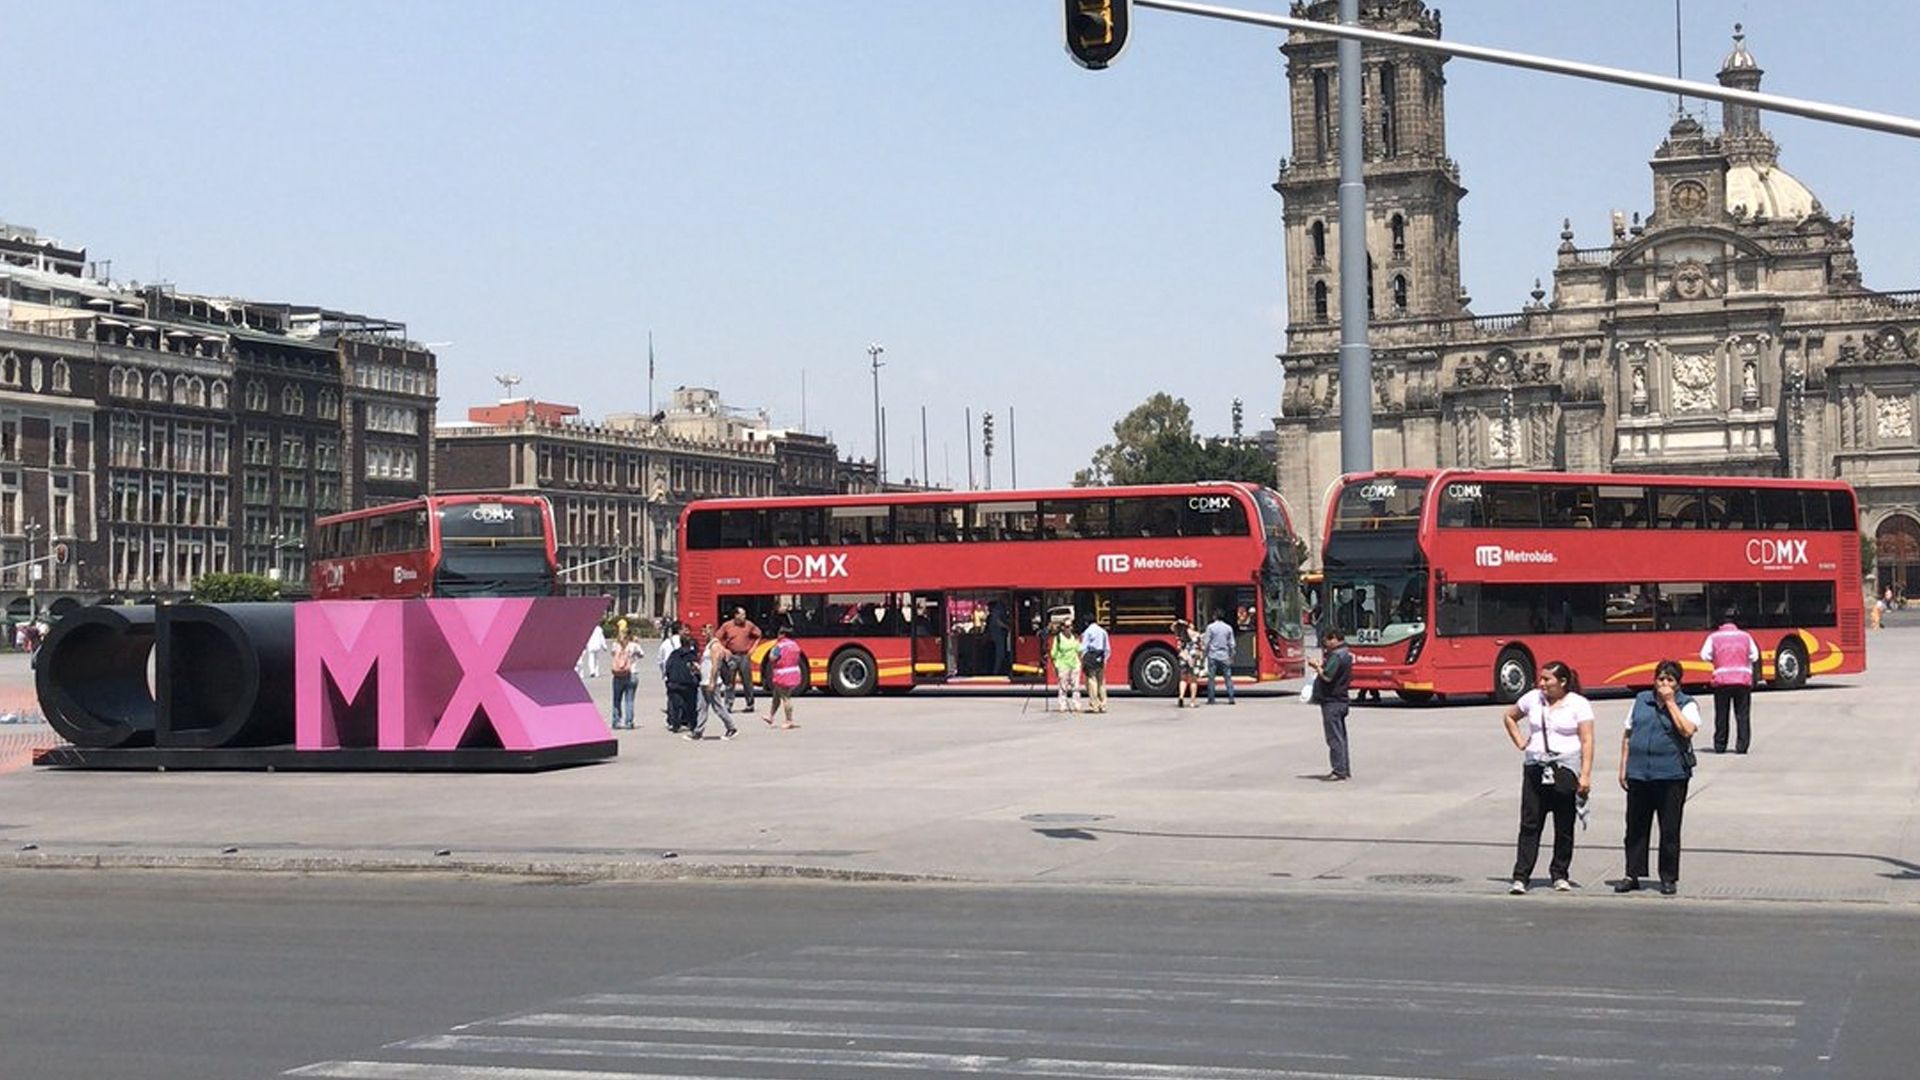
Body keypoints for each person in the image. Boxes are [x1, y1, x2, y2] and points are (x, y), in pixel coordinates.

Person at [1500, 660, 1594, 893]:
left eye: (1547, 679)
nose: (1541, 683)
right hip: (1536, 766)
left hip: (1565, 767)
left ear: (1562, 682)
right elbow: (1509, 717)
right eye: (1541, 679)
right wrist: (1521, 741)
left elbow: (1587, 740)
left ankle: (1559, 873)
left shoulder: (1578, 704)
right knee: (1530, 822)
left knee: (1564, 823)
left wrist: (1585, 775)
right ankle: (1521, 876)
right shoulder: (1532, 699)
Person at [1617, 659, 1700, 896]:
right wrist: (1624, 766)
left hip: (1671, 774)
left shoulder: (1687, 703)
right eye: (1660, 679)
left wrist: (1670, 702)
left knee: (1670, 828)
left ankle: (1668, 877)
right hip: (1639, 773)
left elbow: (1687, 730)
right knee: (1635, 826)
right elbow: (1628, 734)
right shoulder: (1641, 700)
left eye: (1669, 680)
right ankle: (1632, 873)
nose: (1664, 683)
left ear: (1677, 684)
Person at [1700, 609, 1759, 754]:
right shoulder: (1745, 636)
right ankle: (1742, 746)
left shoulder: (1714, 637)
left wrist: (1717, 659)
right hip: (1742, 680)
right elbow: (1755, 656)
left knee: (1722, 714)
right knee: (1742, 715)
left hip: (1722, 680)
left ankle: (1720, 745)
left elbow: (1704, 655)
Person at [1305, 629, 1354, 781]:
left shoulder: (1337, 655)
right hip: (1341, 700)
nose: (1325, 645)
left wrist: (1316, 667)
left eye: (1326, 641)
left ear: (1334, 639)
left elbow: (1327, 676)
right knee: (1341, 737)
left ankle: (1338, 770)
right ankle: (1344, 768)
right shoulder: (1346, 653)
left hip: (1332, 701)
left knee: (1334, 738)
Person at [692, 622, 738, 741]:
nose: (703, 634)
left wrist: (712, 681)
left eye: (705, 631)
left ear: (711, 631)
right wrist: (698, 668)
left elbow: (715, 665)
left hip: (711, 682)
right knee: (702, 707)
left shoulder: (715, 646)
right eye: (702, 631)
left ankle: (731, 728)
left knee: (718, 707)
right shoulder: (709, 645)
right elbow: (707, 663)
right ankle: (698, 731)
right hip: (704, 681)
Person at [716, 606, 762, 712]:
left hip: (744, 656)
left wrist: (753, 648)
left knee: (747, 681)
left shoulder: (749, 625)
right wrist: (724, 650)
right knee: (730, 681)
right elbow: (717, 638)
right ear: (736, 615)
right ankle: (728, 705)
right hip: (732, 656)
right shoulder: (727, 626)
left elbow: (758, 635)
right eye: (742, 614)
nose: (744, 617)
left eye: (745, 614)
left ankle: (750, 704)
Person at [664, 631, 703, 738]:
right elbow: (695, 668)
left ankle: (675, 724)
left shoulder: (674, 654)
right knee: (691, 705)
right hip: (688, 683)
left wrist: (668, 678)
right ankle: (692, 724)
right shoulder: (691, 655)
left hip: (674, 683)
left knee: (675, 705)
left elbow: (668, 666)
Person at [607, 620, 644, 730]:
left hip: (618, 675)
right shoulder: (634, 645)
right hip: (632, 673)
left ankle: (616, 721)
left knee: (616, 699)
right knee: (629, 700)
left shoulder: (615, 645)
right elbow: (642, 655)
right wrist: (636, 644)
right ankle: (629, 722)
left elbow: (613, 654)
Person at [765, 627, 803, 728]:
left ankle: (789, 720)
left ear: (783, 635)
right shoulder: (795, 645)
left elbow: (772, 657)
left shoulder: (779, 646)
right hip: (793, 673)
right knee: (776, 695)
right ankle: (771, 716)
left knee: (786, 698)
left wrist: (772, 650)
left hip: (782, 675)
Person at [1048, 616, 1083, 713]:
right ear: (1062, 627)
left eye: (1071, 626)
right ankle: (1062, 705)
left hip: (1075, 664)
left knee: (1076, 686)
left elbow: (1079, 649)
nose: (1070, 628)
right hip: (1063, 665)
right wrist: (1056, 665)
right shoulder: (1058, 638)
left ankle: (1077, 704)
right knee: (1063, 687)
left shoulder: (1074, 637)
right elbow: (1053, 653)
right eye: (1067, 626)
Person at [656, 620, 685, 731]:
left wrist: (664, 673)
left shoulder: (666, 643)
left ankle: (671, 719)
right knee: (683, 697)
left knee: (671, 697)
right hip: (682, 674)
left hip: (670, 674)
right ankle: (681, 719)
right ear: (679, 630)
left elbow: (660, 660)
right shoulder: (683, 642)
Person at [1203, 610, 1236, 705]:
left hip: (1213, 655)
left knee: (1211, 678)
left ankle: (1211, 699)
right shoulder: (1228, 628)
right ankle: (1231, 698)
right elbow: (1232, 644)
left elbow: (1207, 642)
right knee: (1228, 678)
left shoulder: (1210, 627)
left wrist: (1204, 655)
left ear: (1215, 616)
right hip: (1225, 656)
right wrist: (1232, 656)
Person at [1079, 615, 1110, 714]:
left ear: (1086, 623)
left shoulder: (1087, 632)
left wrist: (1083, 659)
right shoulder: (1103, 631)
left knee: (1092, 680)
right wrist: (1104, 659)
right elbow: (1107, 648)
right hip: (1100, 656)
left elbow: (1083, 647)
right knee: (1101, 682)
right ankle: (1103, 704)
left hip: (1090, 656)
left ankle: (1095, 705)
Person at [1173, 618, 1205, 708]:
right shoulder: (1196, 635)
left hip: (1184, 657)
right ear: (1191, 625)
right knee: (1193, 680)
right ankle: (1192, 702)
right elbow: (1201, 647)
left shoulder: (1181, 634)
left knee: (1183, 679)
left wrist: (1179, 623)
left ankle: (1181, 696)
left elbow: (1173, 627)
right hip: (1193, 658)